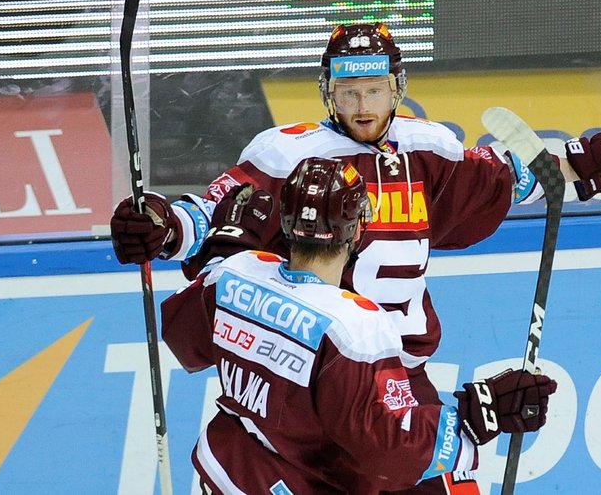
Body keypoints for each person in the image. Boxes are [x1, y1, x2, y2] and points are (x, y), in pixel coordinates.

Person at [112, 22, 601, 494]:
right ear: (328, 90)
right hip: (308, 367)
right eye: (348, 92)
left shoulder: (428, 149)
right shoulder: (288, 152)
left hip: (394, 374)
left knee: (429, 470)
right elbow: (217, 217)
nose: (362, 107)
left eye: (375, 91)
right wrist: (163, 226)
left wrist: (590, 162)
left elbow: (507, 177)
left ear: (397, 87)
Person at [162, 157, 558, 494]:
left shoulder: (236, 272)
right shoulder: (355, 325)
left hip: (225, 471)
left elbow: (184, 337)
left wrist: (222, 249)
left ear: (284, 223)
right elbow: (385, 450)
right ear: (356, 229)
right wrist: (476, 414)